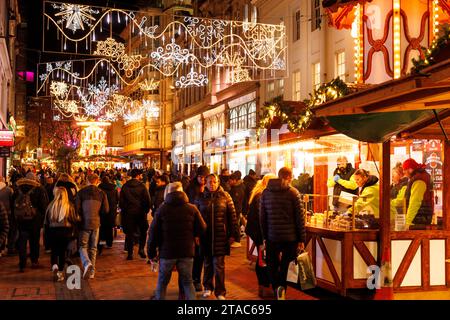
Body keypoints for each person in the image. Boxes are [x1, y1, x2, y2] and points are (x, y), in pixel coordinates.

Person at [147, 182, 206, 300]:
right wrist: (194, 235)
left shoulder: (162, 209)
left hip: (167, 252)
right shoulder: (192, 208)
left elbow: (153, 233)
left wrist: (151, 253)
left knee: (162, 283)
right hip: (186, 252)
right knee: (188, 282)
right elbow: (202, 228)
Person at [260, 167, 305, 300]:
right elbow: (300, 218)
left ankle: (276, 287)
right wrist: (301, 238)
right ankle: (282, 288)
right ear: (289, 177)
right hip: (290, 237)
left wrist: (264, 236)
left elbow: (262, 217)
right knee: (286, 265)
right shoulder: (293, 193)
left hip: (272, 236)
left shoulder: (265, 193)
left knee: (272, 264)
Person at [195, 174, 239, 300]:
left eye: (214, 182)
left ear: (218, 182)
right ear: (205, 183)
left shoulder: (225, 196)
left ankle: (220, 292)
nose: (212, 184)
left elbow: (233, 217)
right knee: (207, 263)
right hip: (205, 236)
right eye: (209, 182)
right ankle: (208, 287)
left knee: (219, 265)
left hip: (221, 236)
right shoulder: (200, 197)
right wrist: (196, 234)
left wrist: (233, 235)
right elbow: (195, 218)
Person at [245, 173, 277, 298]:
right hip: (260, 233)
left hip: (258, 232)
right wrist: (263, 238)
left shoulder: (260, 193)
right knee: (263, 261)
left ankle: (263, 287)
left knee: (262, 260)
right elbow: (261, 218)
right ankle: (265, 287)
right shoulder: (261, 196)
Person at [75, 174, 109, 279]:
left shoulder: (81, 192)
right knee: (93, 248)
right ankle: (92, 271)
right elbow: (106, 210)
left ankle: (86, 263)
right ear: (97, 181)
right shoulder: (101, 193)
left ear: (87, 180)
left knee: (82, 246)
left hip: (84, 223)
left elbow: (77, 208)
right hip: (96, 223)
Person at [14, 172, 49, 272]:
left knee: (22, 241)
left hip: (21, 220)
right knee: (34, 241)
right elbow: (44, 205)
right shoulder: (39, 188)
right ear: (34, 179)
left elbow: (14, 203)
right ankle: (34, 260)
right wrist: (41, 217)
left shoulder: (18, 188)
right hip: (35, 221)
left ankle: (22, 263)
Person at [44, 187, 80, 282]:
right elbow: (74, 220)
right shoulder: (69, 206)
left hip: (53, 231)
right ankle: (60, 272)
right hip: (66, 232)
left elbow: (46, 222)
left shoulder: (51, 205)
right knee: (62, 253)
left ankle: (54, 265)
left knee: (54, 251)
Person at [185, 165, 209, 292]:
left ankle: (204, 281)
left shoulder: (210, 189)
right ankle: (195, 279)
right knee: (196, 255)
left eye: (205, 178)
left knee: (205, 256)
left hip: (207, 226)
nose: (203, 180)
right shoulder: (191, 189)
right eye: (201, 177)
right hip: (194, 226)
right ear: (197, 176)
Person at [120, 169, 151, 260]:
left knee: (129, 233)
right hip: (140, 213)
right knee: (143, 231)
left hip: (128, 214)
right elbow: (147, 200)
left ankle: (130, 253)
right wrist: (145, 210)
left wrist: (125, 210)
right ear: (138, 176)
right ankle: (141, 249)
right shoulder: (142, 186)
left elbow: (121, 201)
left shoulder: (125, 186)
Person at [402, 159, 434, 227]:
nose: (404, 172)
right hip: (421, 216)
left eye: (404, 170)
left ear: (410, 169)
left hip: (419, 218)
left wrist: (408, 221)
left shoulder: (419, 180)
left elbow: (415, 201)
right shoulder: (421, 176)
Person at [98, 176, 119, 250]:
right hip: (112, 210)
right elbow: (117, 199)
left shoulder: (99, 189)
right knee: (110, 227)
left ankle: (101, 242)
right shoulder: (114, 188)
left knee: (102, 226)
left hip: (102, 209)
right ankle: (109, 243)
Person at [228, 171, 247, 248]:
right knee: (236, 224)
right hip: (237, 209)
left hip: (236, 209)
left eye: (230, 180)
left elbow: (235, 200)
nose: (229, 182)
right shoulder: (237, 187)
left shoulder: (237, 189)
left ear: (235, 180)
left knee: (236, 225)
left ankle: (237, 240)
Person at [0, 177, 15, 255]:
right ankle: (9, 248)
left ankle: (1, 248)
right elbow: (12, 201)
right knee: (8, 230)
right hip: (8, 213)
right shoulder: (8, 190)